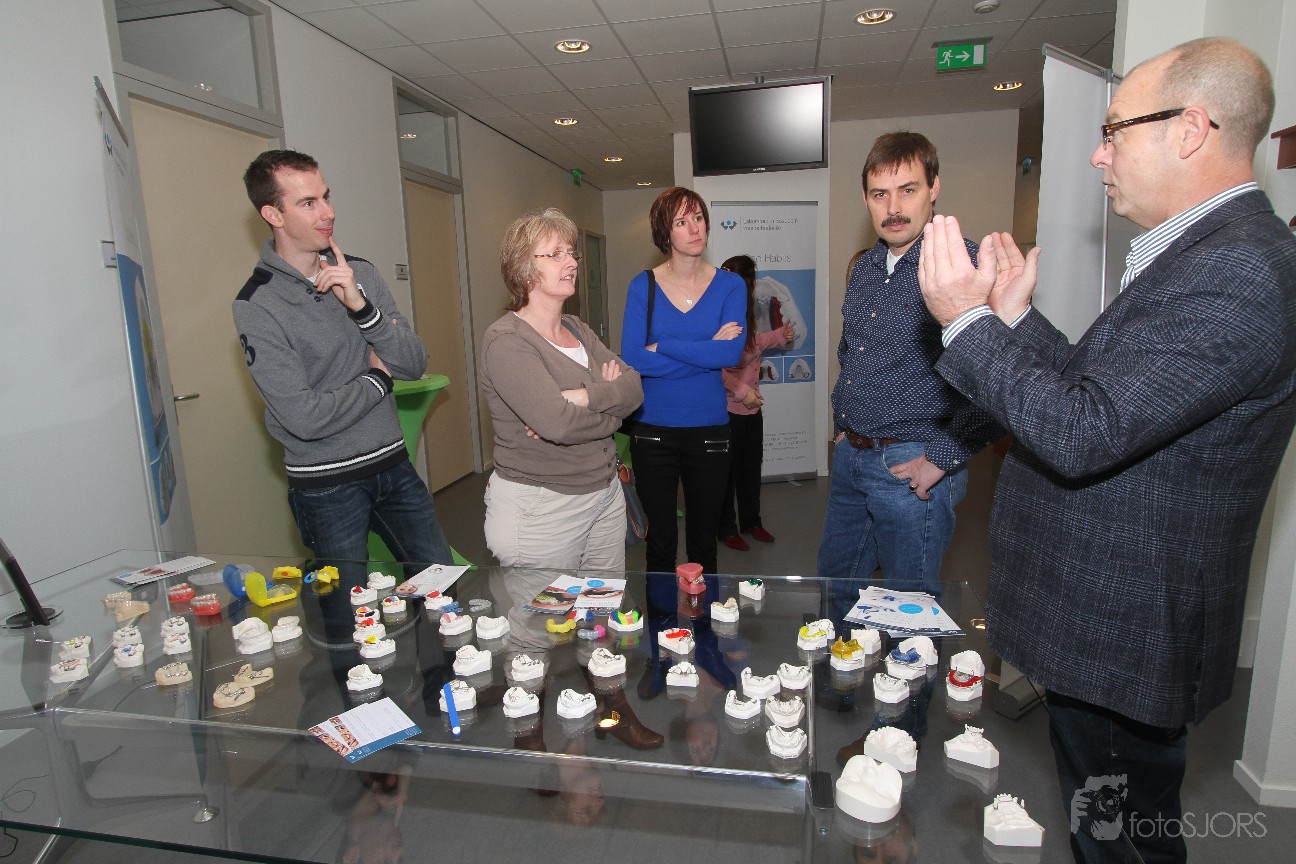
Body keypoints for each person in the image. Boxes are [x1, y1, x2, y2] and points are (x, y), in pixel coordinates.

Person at [917, 38, 1296, 864]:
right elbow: (1109, 402)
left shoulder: (1239, 272)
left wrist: (966, 323)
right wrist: (1013, 322)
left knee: (1121, 843)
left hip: (1127, 630)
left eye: (1115, 130)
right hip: (1104, 624)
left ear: (1190, 129)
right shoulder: (1202, 257)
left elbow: (1081, 434)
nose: (1099, 153)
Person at [233, 150, 452, 590]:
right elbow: (304, 417)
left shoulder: (361, 272)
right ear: (273, 214)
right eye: (308, 203)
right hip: (326, 486)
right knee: (344, 614)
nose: (328, 212)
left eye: (326, 197)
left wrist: (363, 308)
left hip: (394, 466)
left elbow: (412, 363)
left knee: (442, 588)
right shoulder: (257, 303)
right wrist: (377, 380)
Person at [816, 132, 999, 598]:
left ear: (933, 188)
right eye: (880, 194)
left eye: (908, 190)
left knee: (907, 605)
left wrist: (941, 457)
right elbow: (852, 353)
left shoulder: (964, 266)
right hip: (852, 455)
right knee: (836, 587)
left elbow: (998, 380)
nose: (893, 207)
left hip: (912, 463)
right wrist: (844, 426)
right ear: (866, 199)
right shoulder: (865, 268)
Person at [479, 208, 643, 571]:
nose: (571, 262)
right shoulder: (507, 341)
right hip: (543, 506)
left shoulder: (576, 327)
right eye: (555, 254)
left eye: (571, 253)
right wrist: (614, 413)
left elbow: (634, 389)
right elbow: (560, 425)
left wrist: (586, 397)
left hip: (605, 492)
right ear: (523, 267)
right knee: (543, 609)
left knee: (602, 603)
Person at [620, 187, 747, 575]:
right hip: (653, 432)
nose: (694, 229)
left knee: (704, 546)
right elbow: (633, 358)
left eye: (698, 218)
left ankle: (703, 615)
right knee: (659, 546)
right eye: (681, 221)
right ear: (665, 232)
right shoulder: (643, 286)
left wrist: (665, 346)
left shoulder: (730, 286)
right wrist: (706, 350)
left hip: (710, 430)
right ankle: (661, 615)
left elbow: (729, 355)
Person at [717, 254, 793, 551]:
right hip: (726, 409)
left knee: (750, 466)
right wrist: (741, 391)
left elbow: (753, 343)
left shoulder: (745, 309)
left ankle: (752, 522)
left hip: (751, 408)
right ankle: (726, 528)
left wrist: (780, 335)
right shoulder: (719, 313)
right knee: (726, 472)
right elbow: (715, 366)